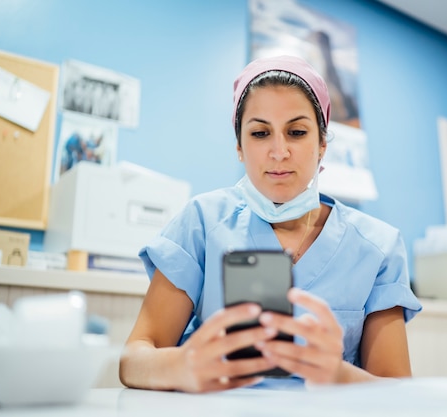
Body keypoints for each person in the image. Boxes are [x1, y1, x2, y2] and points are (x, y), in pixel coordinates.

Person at [119, 55, 422, 393]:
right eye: (261, 133)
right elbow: (133, 360)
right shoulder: (202, 223)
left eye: (296, 132)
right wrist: (180, 366)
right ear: (239, 146)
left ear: (322, 144)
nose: (279, 151)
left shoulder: (377, 247)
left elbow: (396, 393)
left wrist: (338, 376)